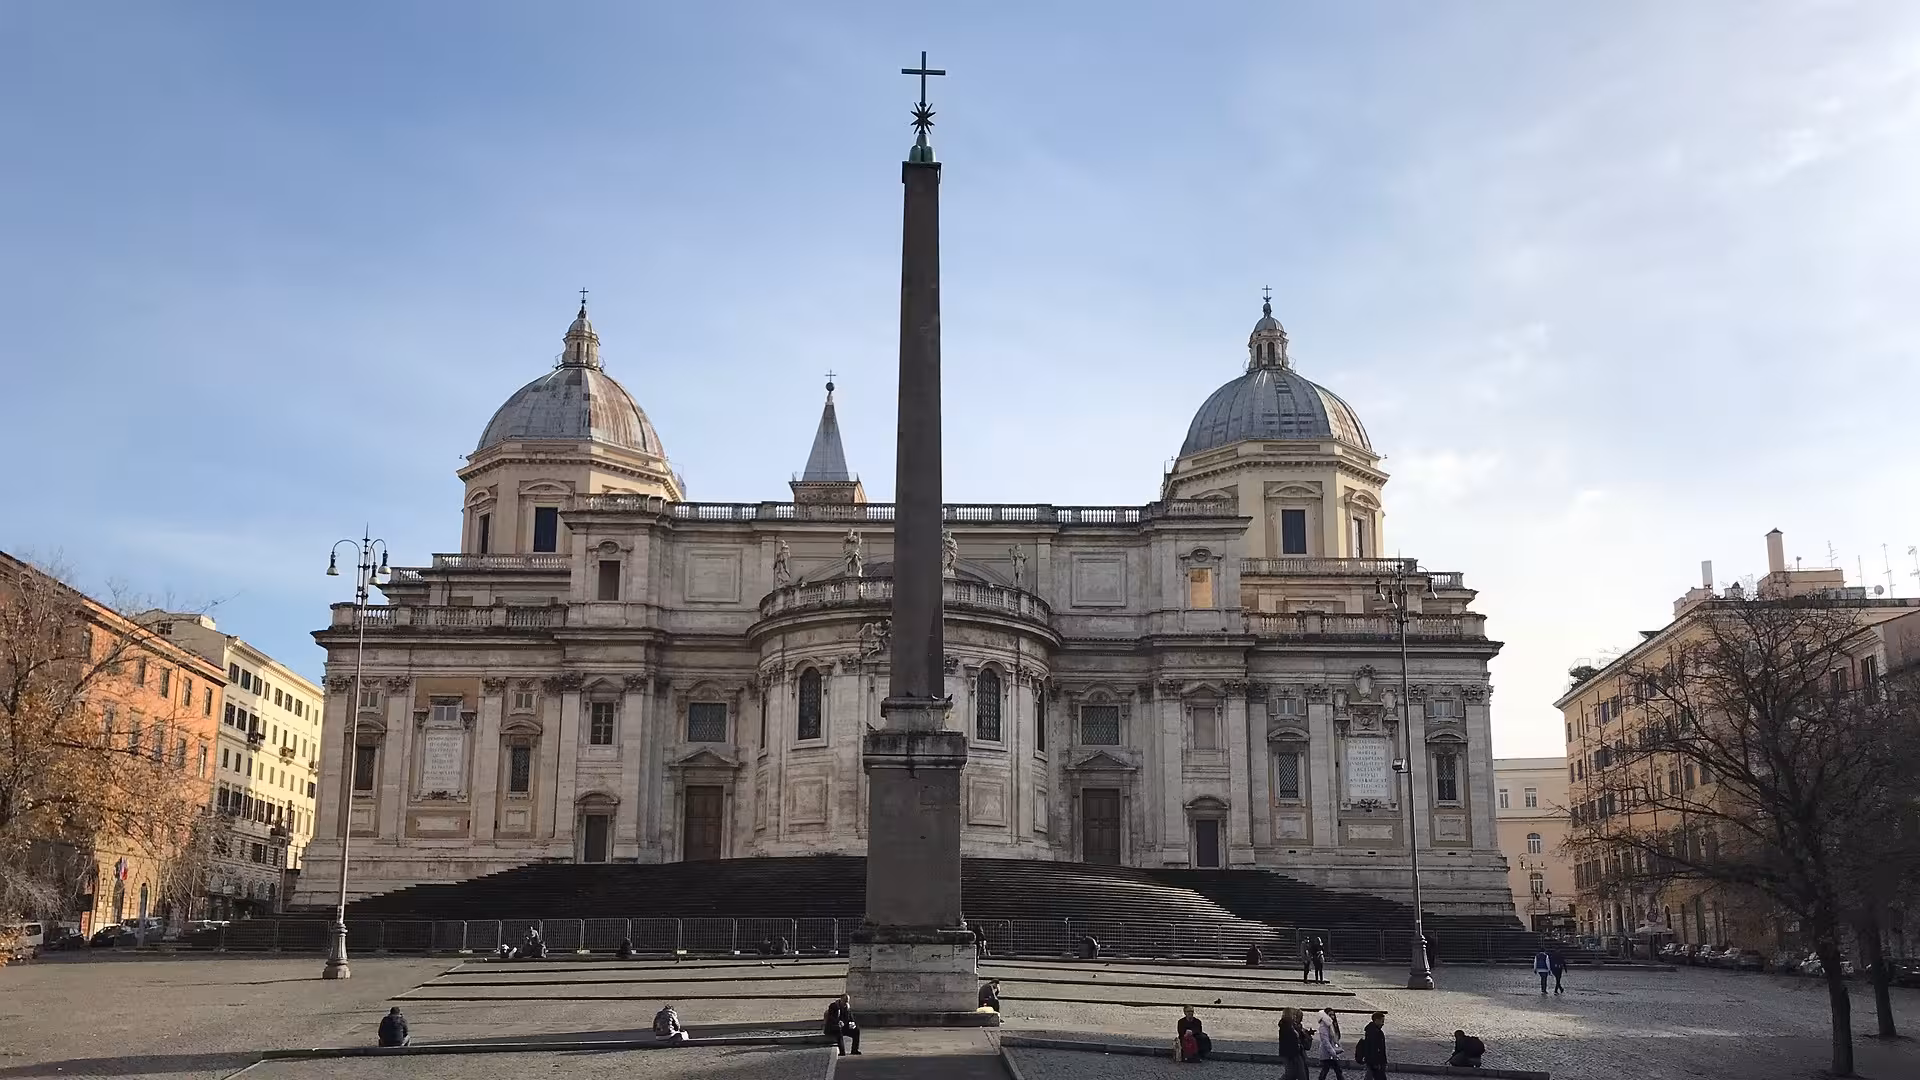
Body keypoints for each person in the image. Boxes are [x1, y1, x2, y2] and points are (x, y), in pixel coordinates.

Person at [1277, 1008, 1310, 1080]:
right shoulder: (1285, 1026)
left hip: (1296, 1052)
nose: (1294, 1017)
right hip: (1291, 1053)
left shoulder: (1292, 1026)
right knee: (1291, 1074)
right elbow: (1287, 1041)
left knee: (1297, 1074)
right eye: (1293, 1015)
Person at [1314, 1008, 1345, 1079]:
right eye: (1330, 1015)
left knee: (1335, 1070)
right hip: (1327, 1052)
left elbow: (1335, 1038)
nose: (1332, 1017)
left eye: (1333, 1015)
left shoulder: (1331, 1025)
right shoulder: (1324, 1026)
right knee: (1329, 1069)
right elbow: (1325, 1041)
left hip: (1331, 1051)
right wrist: (1332, 1052)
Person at [1356, 1012, 1387, 1080]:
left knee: (1370, 1076)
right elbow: (1372, 1048)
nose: (1383, 1023)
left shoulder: (1374, 1031)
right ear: (1376, 1020)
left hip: (1375, 1061)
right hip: (1375, 1062)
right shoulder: (1373, 1033)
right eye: (1382, 1021)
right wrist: (1376, 1063)